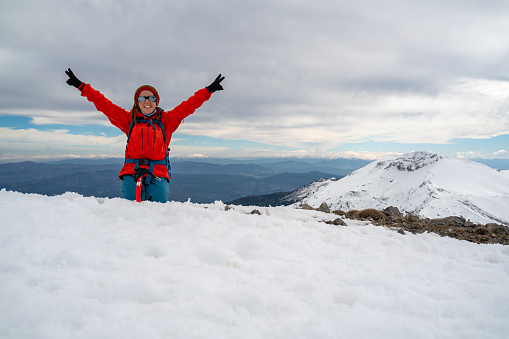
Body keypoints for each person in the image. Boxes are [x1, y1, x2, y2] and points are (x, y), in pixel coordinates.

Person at [65, 68, 224, 203]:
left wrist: (208, 90)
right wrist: (82, 87)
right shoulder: (129, 120)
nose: (147, 101)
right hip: (131, 171)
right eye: (142, 98)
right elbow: (105, 105)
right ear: (137, 102)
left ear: (157, 101)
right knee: (131, 211)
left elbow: (188, 106)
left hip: (158, 172)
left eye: (151, 97)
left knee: (157, 211)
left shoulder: (166, 120)